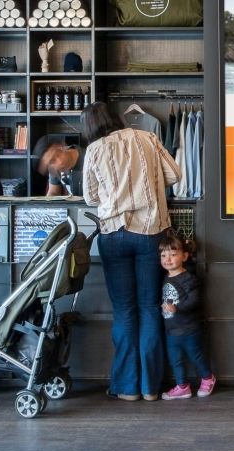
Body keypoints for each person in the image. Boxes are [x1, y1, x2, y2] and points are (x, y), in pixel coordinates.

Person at [81, 101, 180, 401]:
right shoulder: (147, 138)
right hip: (151, 231)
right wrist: (147, 185)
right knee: (150, 308)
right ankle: (151, 388)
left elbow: (89, 197)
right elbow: (175, 174)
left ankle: (126, 388)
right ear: (116, 118)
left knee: (125, 311)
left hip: (113, 233)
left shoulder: (94, 149)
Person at [158, 234, 216, 400]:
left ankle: (207, 378)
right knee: (175, 360)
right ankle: (182, 386)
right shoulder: (165, 277)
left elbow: (195, 301)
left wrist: (176, 308)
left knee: (196, 356)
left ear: (184, 256)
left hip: (189, 329)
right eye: (163, 255)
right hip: (171, 329)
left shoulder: (188, 278)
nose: (167, 259)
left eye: (173, 254)